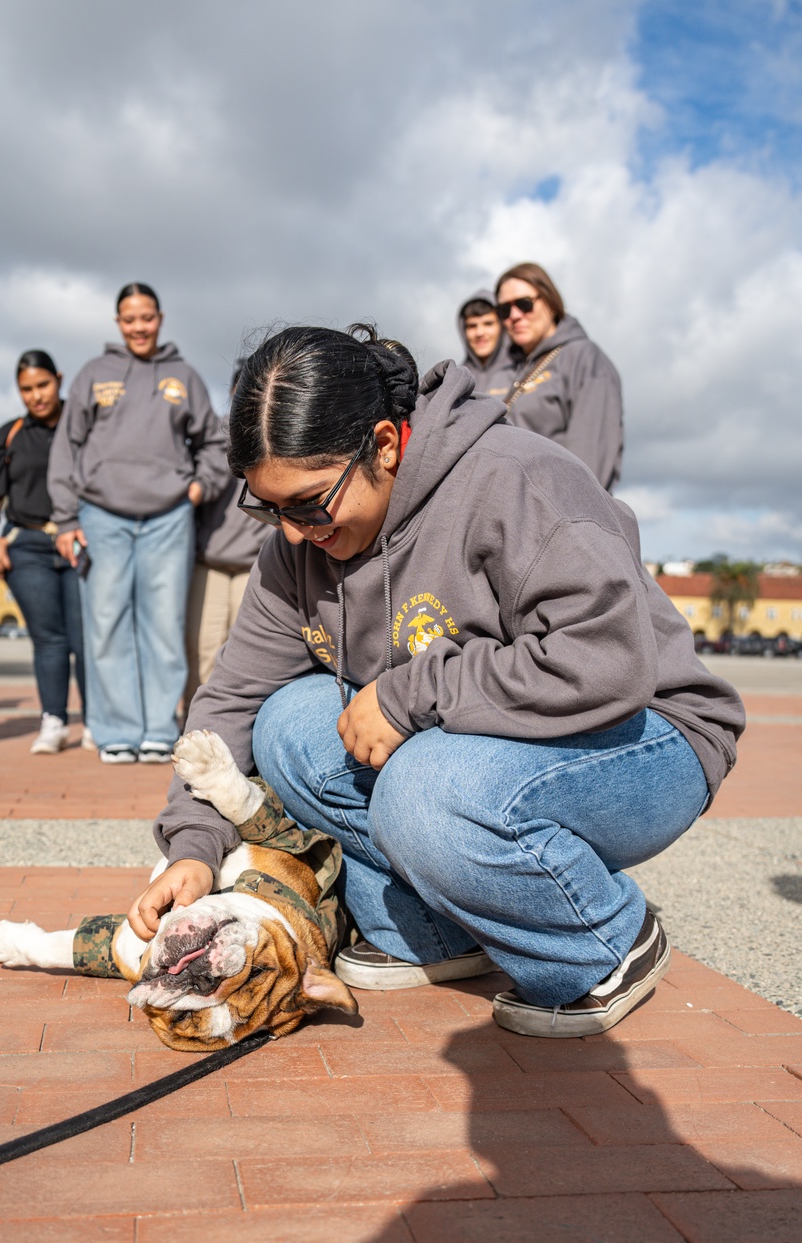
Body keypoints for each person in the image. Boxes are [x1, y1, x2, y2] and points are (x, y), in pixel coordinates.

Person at [140, 324, 745, 1038]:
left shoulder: (516, 478)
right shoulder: (294, 546)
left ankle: (606, 942)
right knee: (283, 724)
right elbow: (232, 697)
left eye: (309, 503)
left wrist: (406, 695)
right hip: (474, 735)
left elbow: (606, 657)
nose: (294, 533)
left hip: (646, 736)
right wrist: (192, 843)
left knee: (423, 793)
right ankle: (445, 932)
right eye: (268, 508)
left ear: (387, 444)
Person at [49, 281, 228, 764]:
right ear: (118, 323)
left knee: (164, 625)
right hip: (100, 516)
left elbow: (213, 444)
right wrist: (66, 519)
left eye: (146, 317)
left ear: (160, 318)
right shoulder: (93, 374)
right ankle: (114, 732)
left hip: (168, 518)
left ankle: (156, 728)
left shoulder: (184, 377)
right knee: (107, 623)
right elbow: (66, 447)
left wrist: (198, 488)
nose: (139, 327)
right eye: (129, 319)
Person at [0, 350, 87, 755]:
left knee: (85, 638)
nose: (36, 395)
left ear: (59, 379)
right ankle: (54, 720)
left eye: (43, 385)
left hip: (78, 541)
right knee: (48, 638)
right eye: (26, 389)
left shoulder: (83, 424)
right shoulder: (10, 433)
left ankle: (94, 721)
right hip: (27, 546)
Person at [496, 261, 624, 491]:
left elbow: (590, 461)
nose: (514, 316)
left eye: (524, 304)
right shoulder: (509, 368)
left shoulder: (584, 358)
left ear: (551, 303)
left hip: (556, 514)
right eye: (504, 310)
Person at [185, 362, 269, 702]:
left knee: (246, 656)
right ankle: (196, 727)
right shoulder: (216, 437)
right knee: (202, 648)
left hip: (256, 563)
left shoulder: (279, 434)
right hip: (211, 561)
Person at [456, 288, 514, 399]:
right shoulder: (455, 378)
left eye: (488, 324)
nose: (479, 333)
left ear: (502, 327)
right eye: (472, 326)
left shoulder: (522, 370)